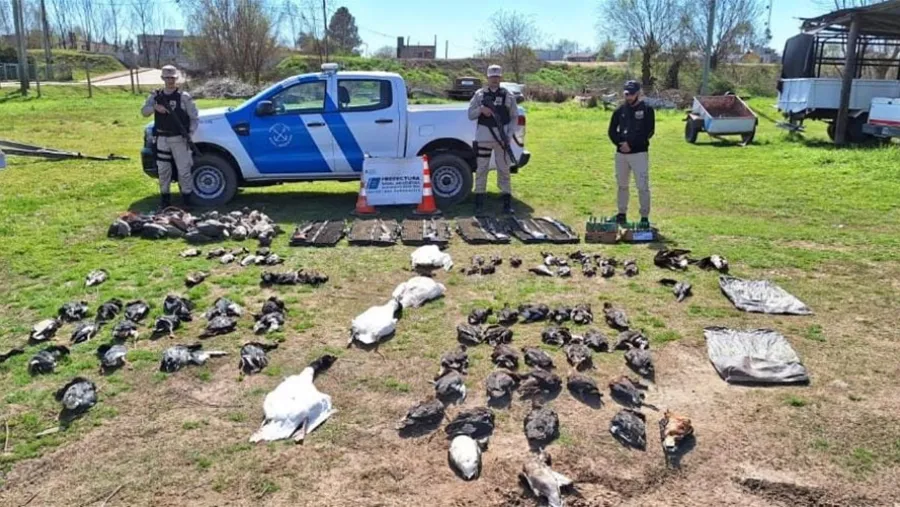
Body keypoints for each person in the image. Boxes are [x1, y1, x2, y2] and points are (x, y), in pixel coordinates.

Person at [141, 65, 199, 210]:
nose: (170, 80)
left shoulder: (183, 96)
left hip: (179, 138)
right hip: (161, 139)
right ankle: (165, 201)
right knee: (163, 170)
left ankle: (187, 201)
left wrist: (190, 133)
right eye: (167, 77)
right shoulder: (156, 96)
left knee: (184, 170)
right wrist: (155, 107)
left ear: (176, 78)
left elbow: (194, 117)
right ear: (163, 78)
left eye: (172, 78)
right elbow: (144, 112)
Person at [467, 64, 518, 215]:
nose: (495, 80)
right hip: (483, 137)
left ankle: (506, 204)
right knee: (482, 169)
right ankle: (479, 204)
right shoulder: (479, 95)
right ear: (487, 78)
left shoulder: (508, 95)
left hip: (502, 140)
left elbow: (514, 117)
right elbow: (470, 114)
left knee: (504, 169)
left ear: (500, 78)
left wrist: (508, 136)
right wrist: (481, 110)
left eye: (497, 77)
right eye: (492, 77)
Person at [607, 80, 655, 227]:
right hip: (621, 153)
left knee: (642, 186)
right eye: (627, 93)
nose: (629, 97)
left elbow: (649, 131)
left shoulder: (647, 110)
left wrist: (631, 144)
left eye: (632, 94)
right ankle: (621, 214)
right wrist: (620, 144)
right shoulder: (620, 110)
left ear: (638, 93)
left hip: (639, 153)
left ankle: (644, 217)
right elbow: (611, 130)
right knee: (622, 185)